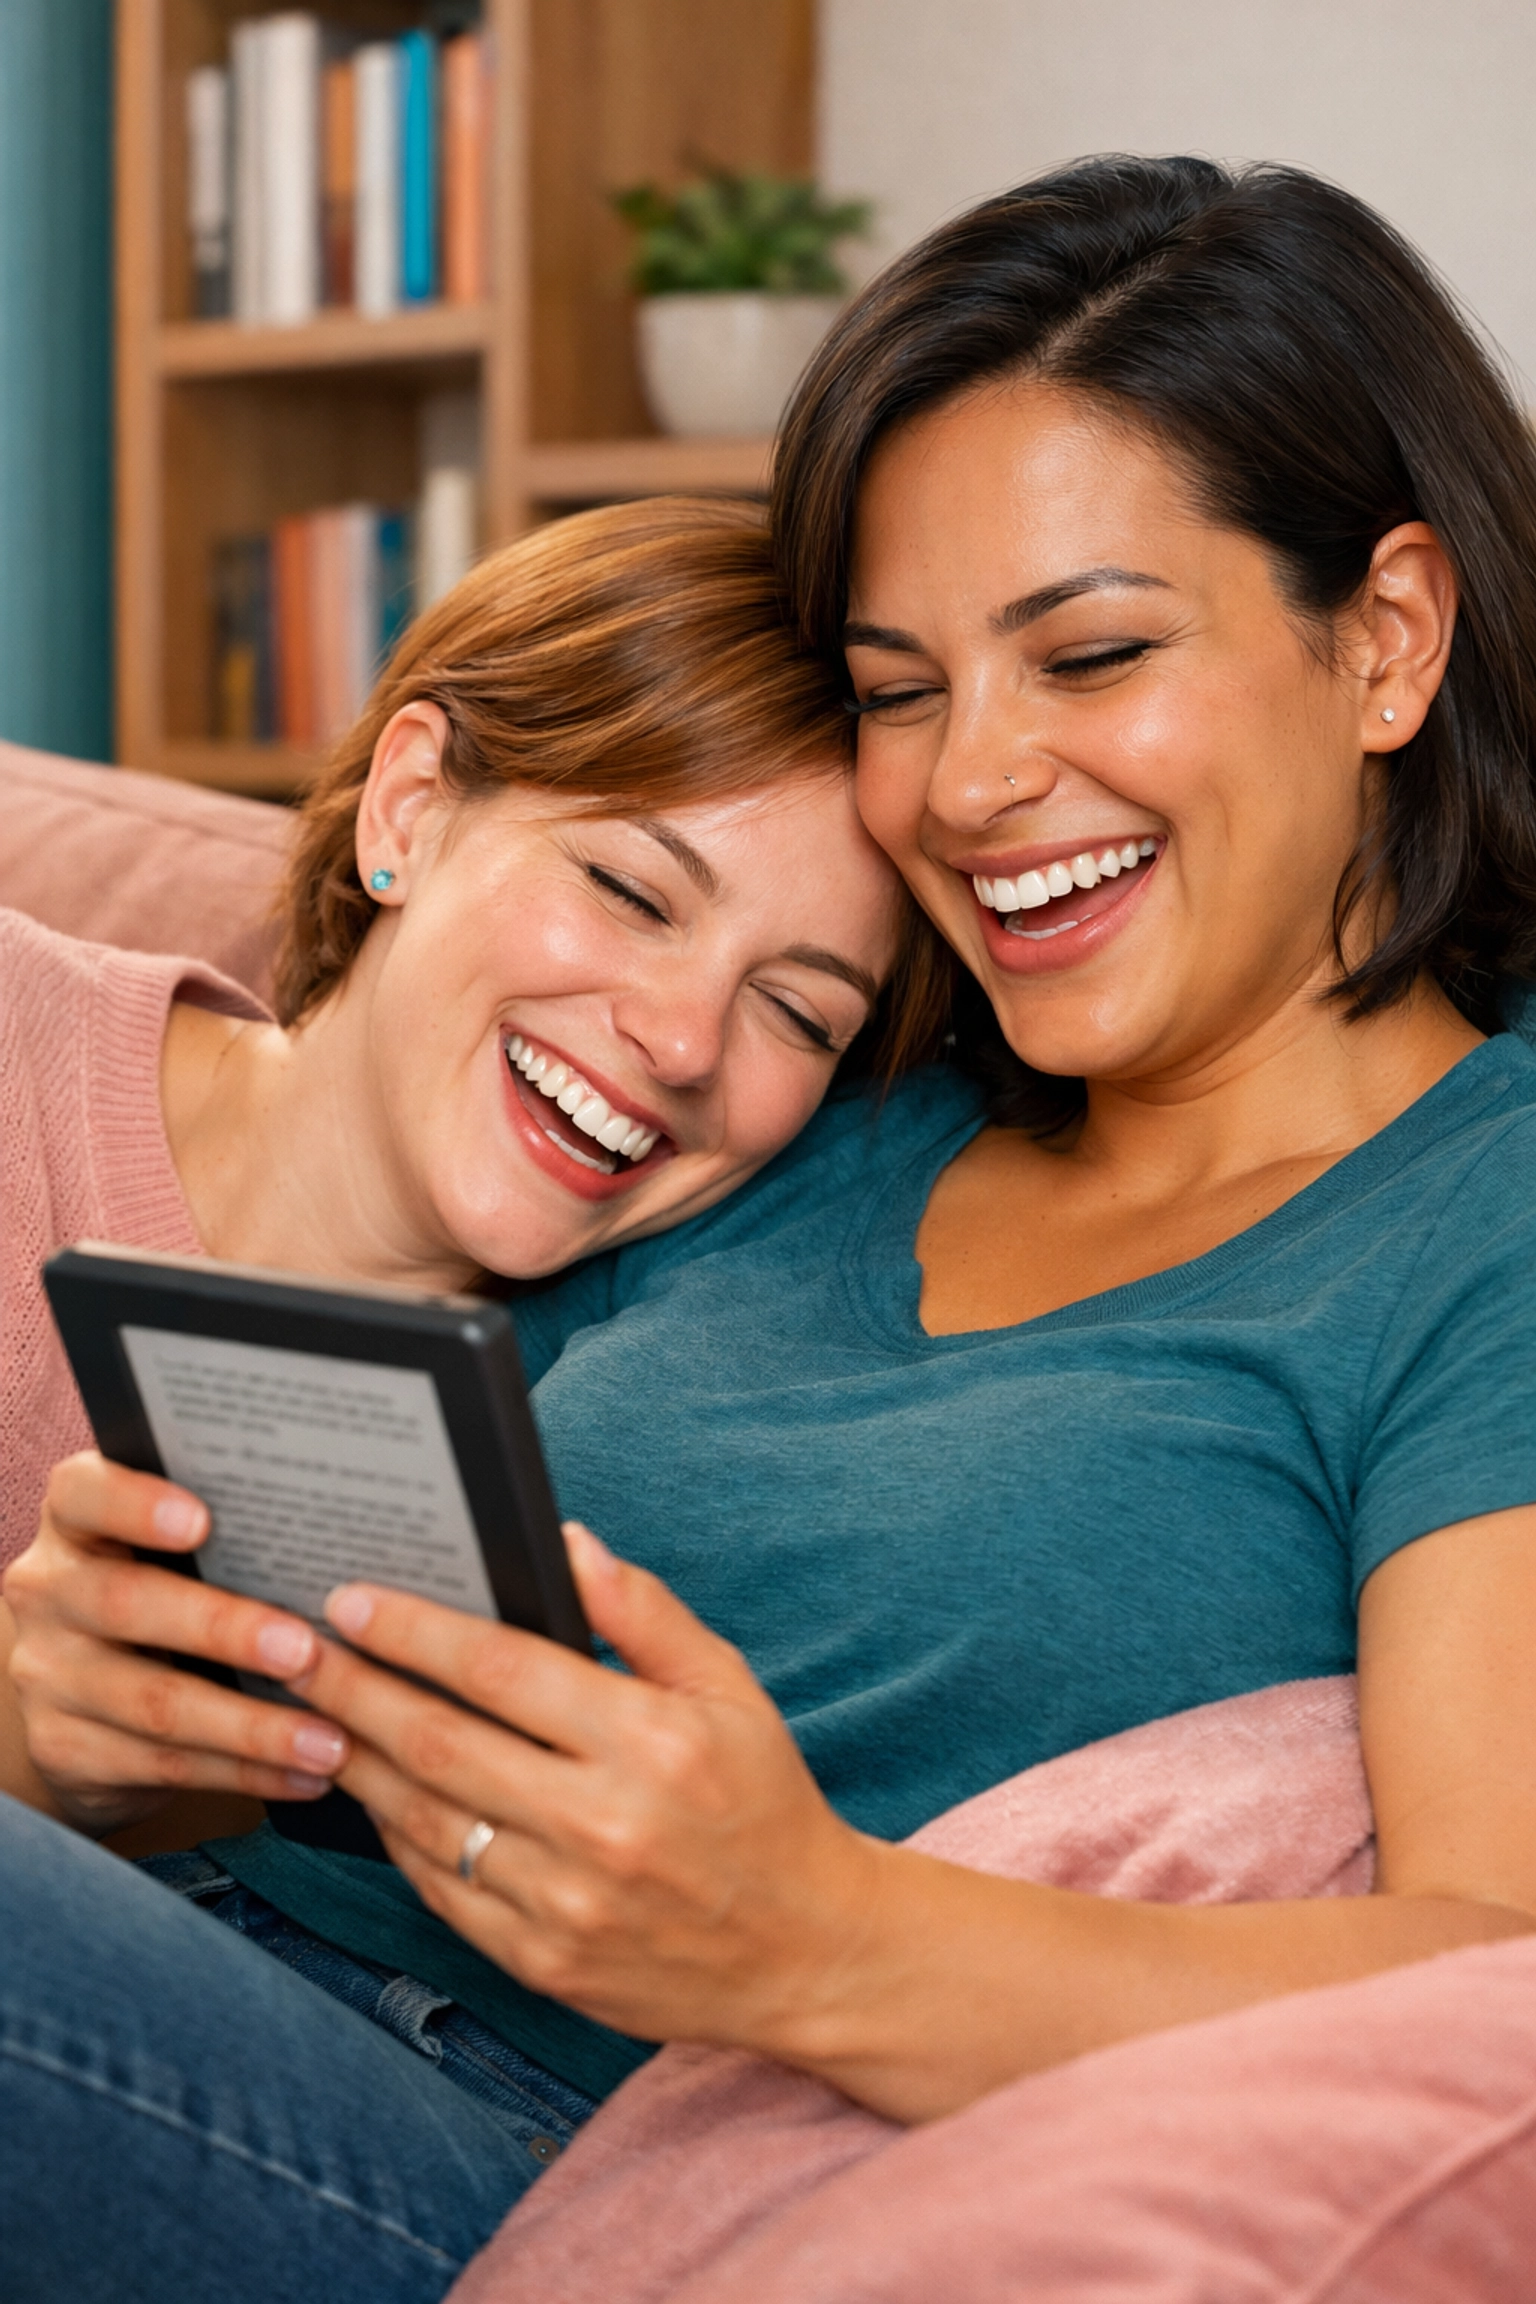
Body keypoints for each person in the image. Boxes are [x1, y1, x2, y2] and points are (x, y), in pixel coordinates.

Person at [7, 155, 1536, 2300]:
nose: (971, 784)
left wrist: (815, 1939)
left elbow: (1496, 1990)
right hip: (190, 1953)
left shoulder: (1486, 1220)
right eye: (903, 687)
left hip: (533, 2156)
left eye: (1087, 652)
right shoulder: (826, 1108)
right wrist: (98, 1728)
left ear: (1385, 641)